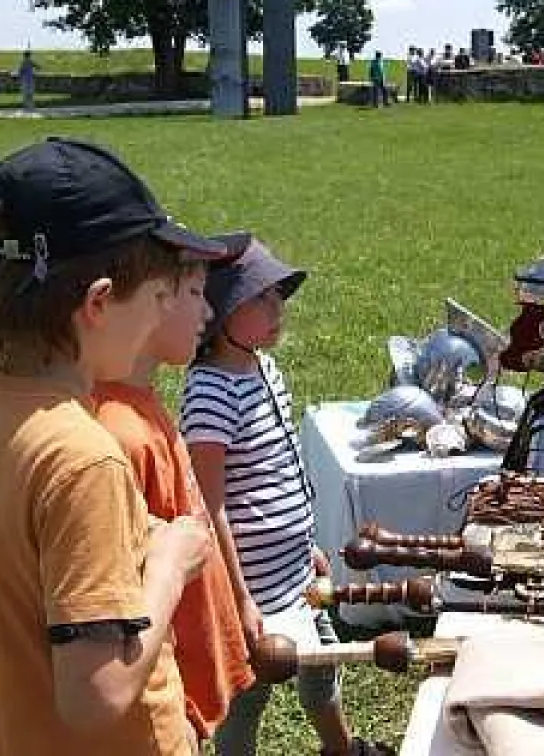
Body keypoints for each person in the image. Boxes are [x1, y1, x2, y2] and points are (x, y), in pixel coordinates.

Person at [0, 137, 227, 755]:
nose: (160, 314)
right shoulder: (86, 459)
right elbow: (96, 696)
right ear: (98, 302)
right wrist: (168, 565)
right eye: (159, 297)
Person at [180, 237, 388, 756]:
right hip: (252, 584)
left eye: (278, 296)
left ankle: (341, 748)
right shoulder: (209, 392)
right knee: (246, 695)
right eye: (261, 298)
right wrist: (239, 599)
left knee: (323, 668)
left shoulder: (264, 369)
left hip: (294, 573)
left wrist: (306, 545)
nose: (278, 309)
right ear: (221, 311)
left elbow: (283, 467)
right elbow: (209, 506)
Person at [93, 235, 256, 743]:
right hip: (163, 699)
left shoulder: (143, 402)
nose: (208, 311)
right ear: (151, 300)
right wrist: (176, 708)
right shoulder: (119, 433)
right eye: (194, 293)